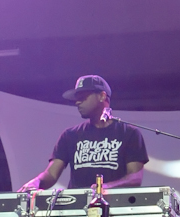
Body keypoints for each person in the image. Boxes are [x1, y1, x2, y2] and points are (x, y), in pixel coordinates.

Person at [19, 75, 149, 191]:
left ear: (102, 96)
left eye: (83, 97)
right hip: (77, 210)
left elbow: (134, 178)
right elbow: (52, 174)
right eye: (77, 98)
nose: (77, 102)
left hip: (114, 209)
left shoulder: (129, 133)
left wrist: (105, 188)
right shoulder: (70, 135)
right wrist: (36, 182)